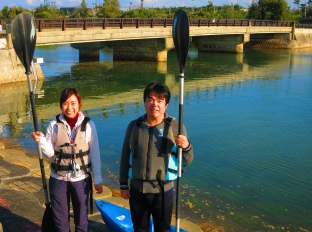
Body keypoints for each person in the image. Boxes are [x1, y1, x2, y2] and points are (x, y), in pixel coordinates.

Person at [119, 82, 194, 232]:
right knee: (140, 229)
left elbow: (188, 160)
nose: (154, 104)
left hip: (163, 191)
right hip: (137, 190)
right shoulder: (134, 126)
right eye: (150, 99)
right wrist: (123, 185)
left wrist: (186, 147)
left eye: (159, 101)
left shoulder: (175, 127)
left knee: (163, 229)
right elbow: (125, 156)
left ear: (166, 105)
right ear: (144, 102)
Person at [32, 88, 103, 232]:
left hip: (81, 180)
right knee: (60, 222)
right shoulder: (54, 125)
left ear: (79, 104)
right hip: (58, 179)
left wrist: (98, 178)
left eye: (73, 103)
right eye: (65, 103)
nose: (69, 108)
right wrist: (41, 141)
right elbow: (51, 153)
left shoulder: (89, 125)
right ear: (61, 105)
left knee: (82, 221)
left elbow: (95, 153)